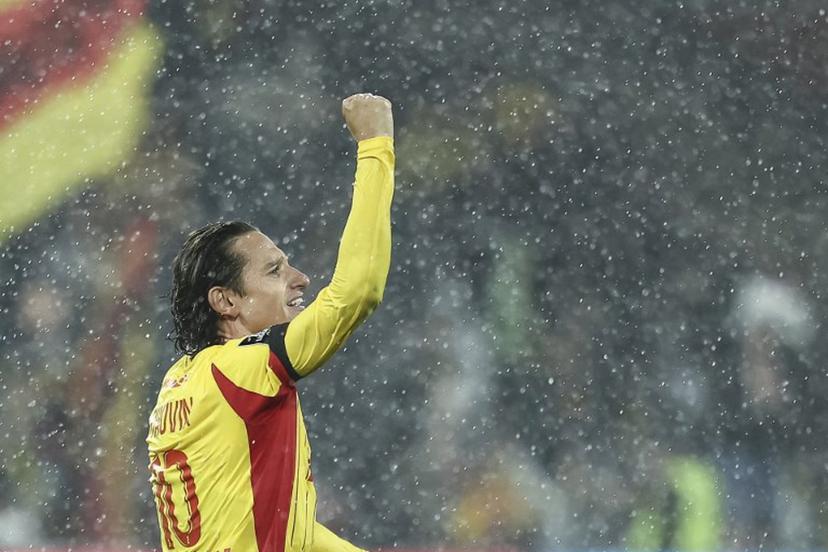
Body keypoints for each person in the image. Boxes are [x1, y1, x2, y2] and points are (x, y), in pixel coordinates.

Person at [146, 93, 395, 552]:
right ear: (225, 301)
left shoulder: (178, 382)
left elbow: (282, 526)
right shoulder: (246, 369)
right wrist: (376, 145)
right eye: (275, 271)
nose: (300, 279)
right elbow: (358, 291)